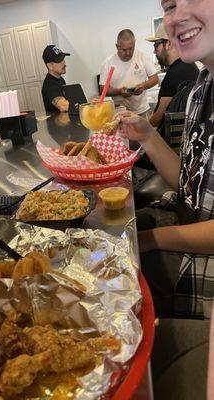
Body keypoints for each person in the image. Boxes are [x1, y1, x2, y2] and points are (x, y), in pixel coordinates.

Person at [116, 0, 214, 319]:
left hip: (204, 264)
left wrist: (151, 240)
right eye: (170, 5)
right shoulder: (202, 88)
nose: (179, 15)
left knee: (111, 284)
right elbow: (188, 185)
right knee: (108, 238)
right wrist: (147, 135)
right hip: (185, 220)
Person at [147, 23, 199, 128]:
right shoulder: (190, 65)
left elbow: (158, 118)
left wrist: (141, 122)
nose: (154, 51)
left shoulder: (174, 75)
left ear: (169, 44)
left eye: (156, 45)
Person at [99, 29, 159, 116]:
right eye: (124, 50)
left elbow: (154, 79)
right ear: (117, 46)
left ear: (134, 44)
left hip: (141, 110)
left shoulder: (143, 57)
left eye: (131, 48)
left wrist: (143, 86)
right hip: (118, 112)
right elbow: (103, 89)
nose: (128, 53)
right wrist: (119, 91)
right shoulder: (107, 63)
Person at [41, 45, 70, 113]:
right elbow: (64, 106)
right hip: (56, 123)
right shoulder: (49, 85)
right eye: (59, 61)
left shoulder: (61, 80)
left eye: (63, 59)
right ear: (50, 66)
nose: (64, 63)